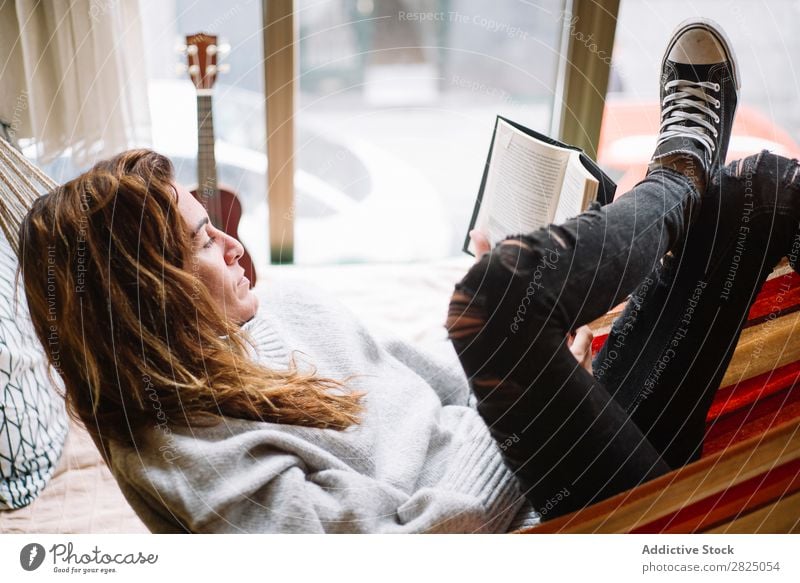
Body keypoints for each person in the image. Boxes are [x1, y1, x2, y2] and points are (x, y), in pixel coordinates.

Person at [16, 18, 800, 532]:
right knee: (489, 304)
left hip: (556, 455)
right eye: (199, 240)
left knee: (760, 190)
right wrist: (520, 381)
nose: (232, 243)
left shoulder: (275, 305)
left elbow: (439, 387)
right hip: (537, 526)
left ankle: (686, 180)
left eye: (213, 221)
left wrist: (537, 378)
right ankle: (675, 174)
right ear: (143, 295)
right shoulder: (189, 458)